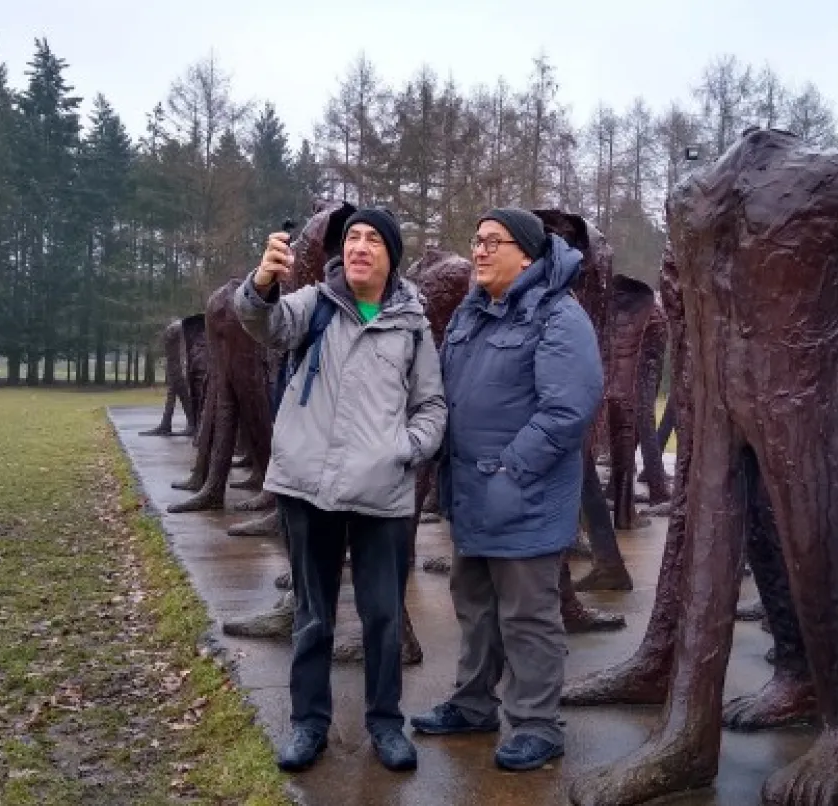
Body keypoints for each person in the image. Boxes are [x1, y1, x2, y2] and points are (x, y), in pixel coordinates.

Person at [233, 206, 447, 773]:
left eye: (373, 239)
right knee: (313, 616)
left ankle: (385, 724)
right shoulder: (312, 304)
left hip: (383, 495)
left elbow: (431, 404)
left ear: (391, 256)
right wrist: (260, 284)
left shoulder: (413, 324)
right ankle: (309, 725)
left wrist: (407, 448)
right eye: (352, 238)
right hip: (309, 488)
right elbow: (265, 324)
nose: (359, 247)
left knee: (381, 617)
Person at [409, 207, 603, 771]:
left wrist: (512, 469)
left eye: (494, 241)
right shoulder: (474, 314)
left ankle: (538, 724)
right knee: (474, 604)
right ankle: (473, 704)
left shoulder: (558, 316)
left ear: (528, 253)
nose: (480, 250)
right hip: (472, 492)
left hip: (524, 493)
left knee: (528, 614)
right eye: (477, 239)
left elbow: (569, 409)